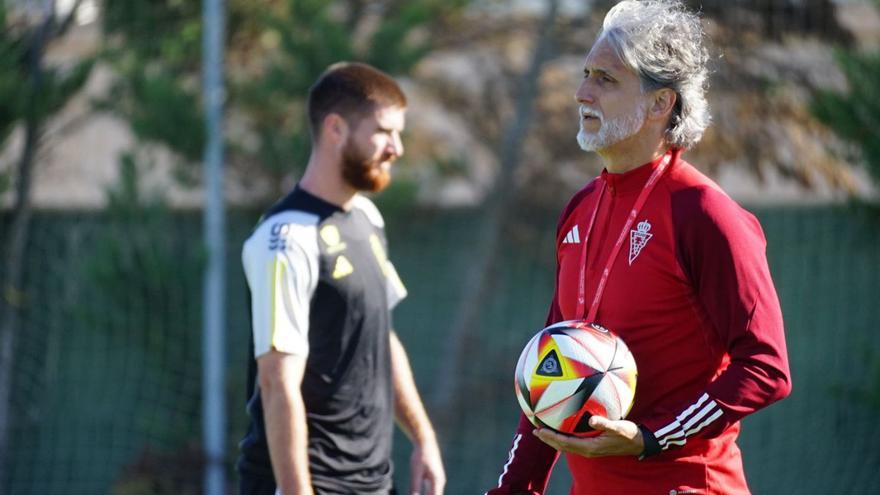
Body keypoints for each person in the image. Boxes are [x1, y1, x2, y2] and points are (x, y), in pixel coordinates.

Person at [486, 1, 791, 494]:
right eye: (586, 74)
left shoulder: (706, 213)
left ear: (659, 103)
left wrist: (651, 437)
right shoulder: (580, 209)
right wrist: (513, 488)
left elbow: (765, 367)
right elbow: (551, 367)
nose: (582, 92)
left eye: (606, 79)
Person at [237, 62, 445, 495]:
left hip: (373, 482)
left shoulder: (366, 218)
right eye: (384, 132)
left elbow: (381, 339)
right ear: (335, 129)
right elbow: (277, 382)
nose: (397, 148)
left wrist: (423, 439)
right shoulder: (285, 239)